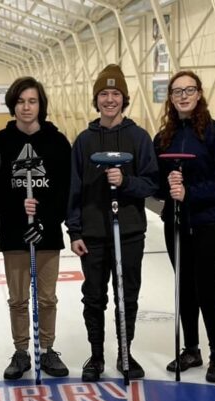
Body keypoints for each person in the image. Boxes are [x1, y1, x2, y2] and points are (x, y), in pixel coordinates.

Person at [66, 64, 158, 382]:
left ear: (124, 98)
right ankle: (96, 356)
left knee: (126, 295)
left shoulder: (139, 138)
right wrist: (75, 229)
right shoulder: (84, 141)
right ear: (96, 99)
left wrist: (126, 181)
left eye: (115, 93)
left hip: (129, 231)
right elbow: (74, 189)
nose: (109, 99)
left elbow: (152, 184)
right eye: (103, 94)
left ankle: (125, 353)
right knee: (94, 296)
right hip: (93, 233)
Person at [154, 70, 215, 383]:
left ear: (199, 94)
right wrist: (167, 187)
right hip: (174, 222)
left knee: (206, 288)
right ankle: (191, 349)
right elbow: (155, 180)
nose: (183, 96)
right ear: (170, 98)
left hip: (207, 222)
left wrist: (190, 192)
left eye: (189, 90)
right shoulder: (163, 137)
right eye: (176, 91)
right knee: (184, 288)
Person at [0, 77, 72, 380]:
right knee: (18, 299)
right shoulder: (0, 142)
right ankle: (22, 351)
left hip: (47, 232)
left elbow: (65, 189)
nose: (26, 107)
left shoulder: (57, 142)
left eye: (32, 101)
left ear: (41, 105)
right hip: (14, 233)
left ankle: (48, 350)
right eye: (21, 101)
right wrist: (15, 210)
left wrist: (45, 219)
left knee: (47, 298)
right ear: (13, 104)